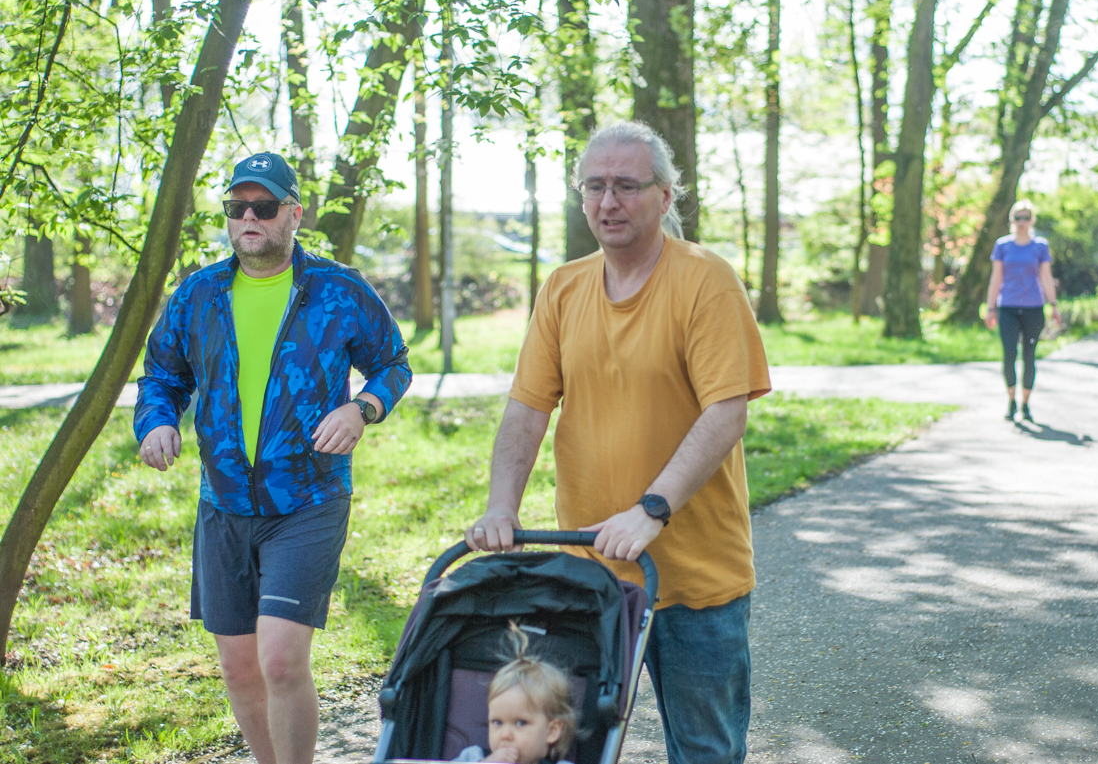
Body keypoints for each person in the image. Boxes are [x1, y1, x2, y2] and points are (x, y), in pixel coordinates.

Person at [467, 120, 771, 764]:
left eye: (627, 186)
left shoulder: (705, 281)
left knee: (706, 752)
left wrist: (651, 509)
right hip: (591, 577)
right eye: (595, 187)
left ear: (665, 197)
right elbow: (526, 409)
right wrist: (501, 505)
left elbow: (726, 412)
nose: (609, 202)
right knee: (564, 750)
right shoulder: (563, 287)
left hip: (696, 578)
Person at [134, 152, 411, 764]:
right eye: (238, 208)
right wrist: (156, 422)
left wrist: (361, 409)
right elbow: (162, 374)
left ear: (294, 213)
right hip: (223, 503)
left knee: (281, 658)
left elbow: (394, 363)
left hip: (308, 501)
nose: (249, 218)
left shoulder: (338, 291)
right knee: (238, 668)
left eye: (264, 207)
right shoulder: (199, 294)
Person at [984, 198, 1061, 424]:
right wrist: (990, 308)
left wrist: (1053, 305)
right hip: (1007, 306)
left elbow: (1046, 277)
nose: (1022, 222)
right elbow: (996, 278)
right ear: (1012, 220)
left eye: (1026, 218)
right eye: (1018, 218)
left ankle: (1025, 403)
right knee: (1009, 355)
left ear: (1031, 220)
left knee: (1029, 356)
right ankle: (1011, 400)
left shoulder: (1040, 246)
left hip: (1033, 308)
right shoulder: (1002, 245)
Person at [453, 624, 577, 764]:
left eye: (520, 723)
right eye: (497, 722)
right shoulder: (473, 758)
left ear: (551, 731)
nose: (505, 735)